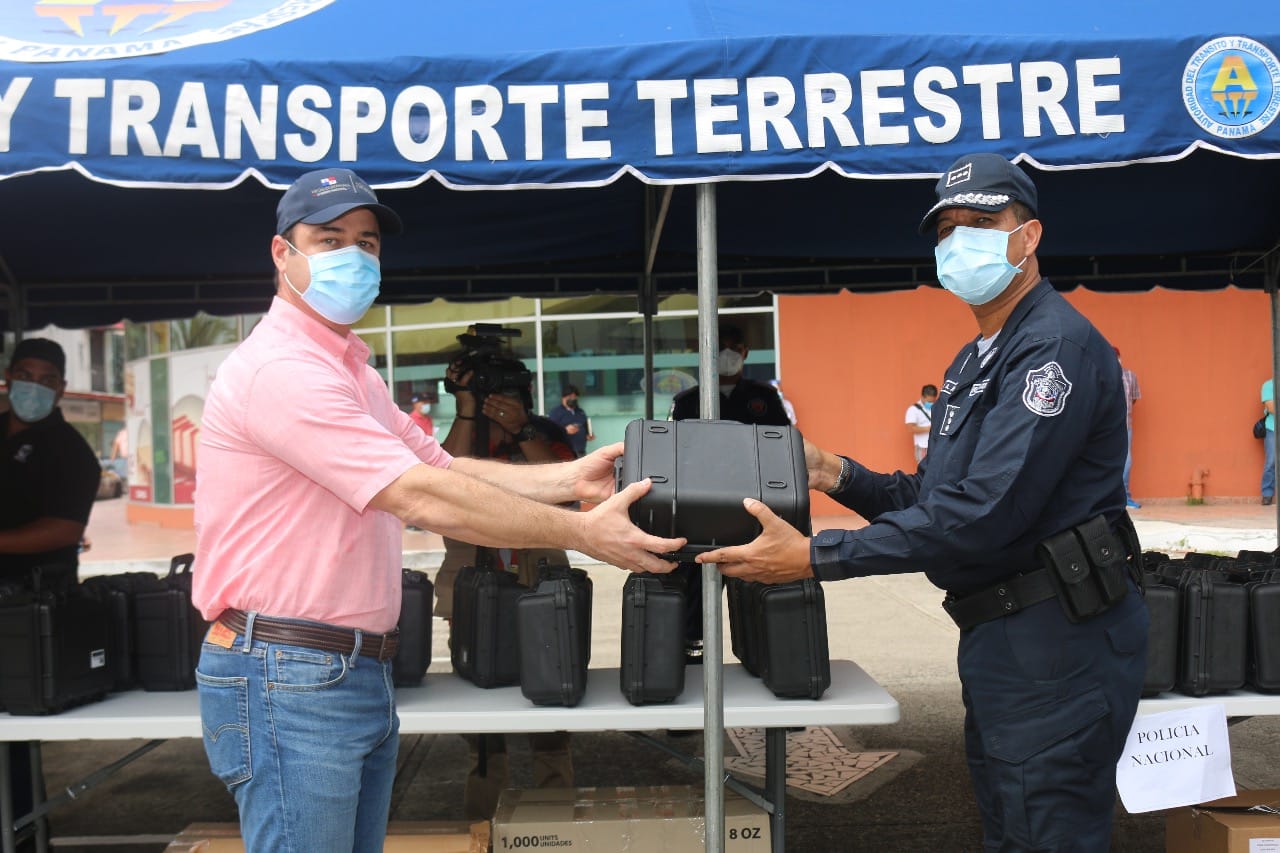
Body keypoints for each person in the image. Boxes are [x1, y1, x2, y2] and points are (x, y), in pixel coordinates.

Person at [191, 167, 685, 853]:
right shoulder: (283, 370)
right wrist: (583, 532)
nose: (354, 257)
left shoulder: (351, 370)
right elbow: (420, 495)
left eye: (367, 243)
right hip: (289, 671)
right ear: (283, 253)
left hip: (342, 669)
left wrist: (572, 476)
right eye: (329, 239)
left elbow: (443, 468)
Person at [697, 153, 1148, 851]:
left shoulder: (1051, 348)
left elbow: (983, 514)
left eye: (980, 221)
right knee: (1010, 825)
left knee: (1044, 830)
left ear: (1028, 237)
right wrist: (835, 473)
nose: (958, 239)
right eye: (946, 228)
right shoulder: (976, 359)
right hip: (1006, 641)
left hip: (1056, 644)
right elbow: (937, 496)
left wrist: (815, 555)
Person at [434, 356, 576, 819]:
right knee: (482, 728)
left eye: (505, 393)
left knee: (552, 714)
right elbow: (439, 481)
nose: (498, 402)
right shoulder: (463, 436)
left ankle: (555, 830)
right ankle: (483, 829)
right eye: (486, 392)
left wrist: (523, 432)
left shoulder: (544, 432)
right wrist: (466, 413)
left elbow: (567, 490)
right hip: (474, 592)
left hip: (542, 587)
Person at [1, 337, 102, 844]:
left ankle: (21, 834)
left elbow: (64, 528)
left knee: (14, 738)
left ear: (61, 388)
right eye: (25, 374)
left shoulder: (70, 451)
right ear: (8, 377)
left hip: (32, 609)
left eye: (45, 380)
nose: (32, 388)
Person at [670, 323, 790, 665]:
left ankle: (767, 662)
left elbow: (781, 448)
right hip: (700, 517)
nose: (727, 353)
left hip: (754, 513)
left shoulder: (763, 398)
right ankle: (694, 663)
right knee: (695, 594)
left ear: (745, 353)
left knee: (759, 593)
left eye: (734, 346)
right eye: (719, 347)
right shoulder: (688, 402)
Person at [1115, 348, 1141, 508]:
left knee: (1127, 461)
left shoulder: (1130, 376)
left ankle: (1125, 497)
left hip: (1125, 426)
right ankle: (1111, 499)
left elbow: (1133, 399)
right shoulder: (1101, 374)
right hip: (1105, 429)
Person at [547, 383, 593, 456]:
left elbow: (585, 427)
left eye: (574, 397)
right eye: (570, 396)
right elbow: (550, 432)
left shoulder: (580, 412)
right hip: (565, 452)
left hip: (581, 451)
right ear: (563, 398)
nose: (572, 399)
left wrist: (588, 435)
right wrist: (565, 430)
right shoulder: (555, 413)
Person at [905, 384, 938, 463]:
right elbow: (910, 428)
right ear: (923, 397)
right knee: (925, 472)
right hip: (923, 446)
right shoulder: (913, 410)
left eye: (934, 401)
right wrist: (928, 428)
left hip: (936, 446)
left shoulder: (936, 407)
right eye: (929, 401)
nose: (932, 403)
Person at [1262, 377, 1275, 506]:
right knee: (1271, 462)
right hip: (1273, 429)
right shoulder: (1268, 385)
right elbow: (1271, 408)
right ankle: (1267, 494)